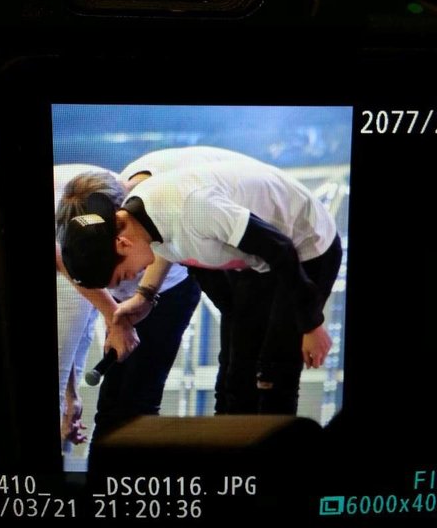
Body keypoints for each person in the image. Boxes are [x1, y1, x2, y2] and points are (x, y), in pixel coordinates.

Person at [61, 156, 342, 416]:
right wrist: (144, 297)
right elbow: (209, 272)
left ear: (122, 244)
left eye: (123, 275)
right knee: (237, 378)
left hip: (305, 245)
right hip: (256, 264)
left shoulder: (192, 210)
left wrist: (310, 323)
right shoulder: (144, 225)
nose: (131, 279)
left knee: (273, 375)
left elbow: (279, 247)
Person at [54, 164, 201, 449]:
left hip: (168, 289)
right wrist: (71, 395)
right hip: (125, 294)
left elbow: (161, 244)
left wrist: (130, 306)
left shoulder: (148, 204)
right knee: (111, 404)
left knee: (137, 401)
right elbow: (65, 337)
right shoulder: (74, 223)